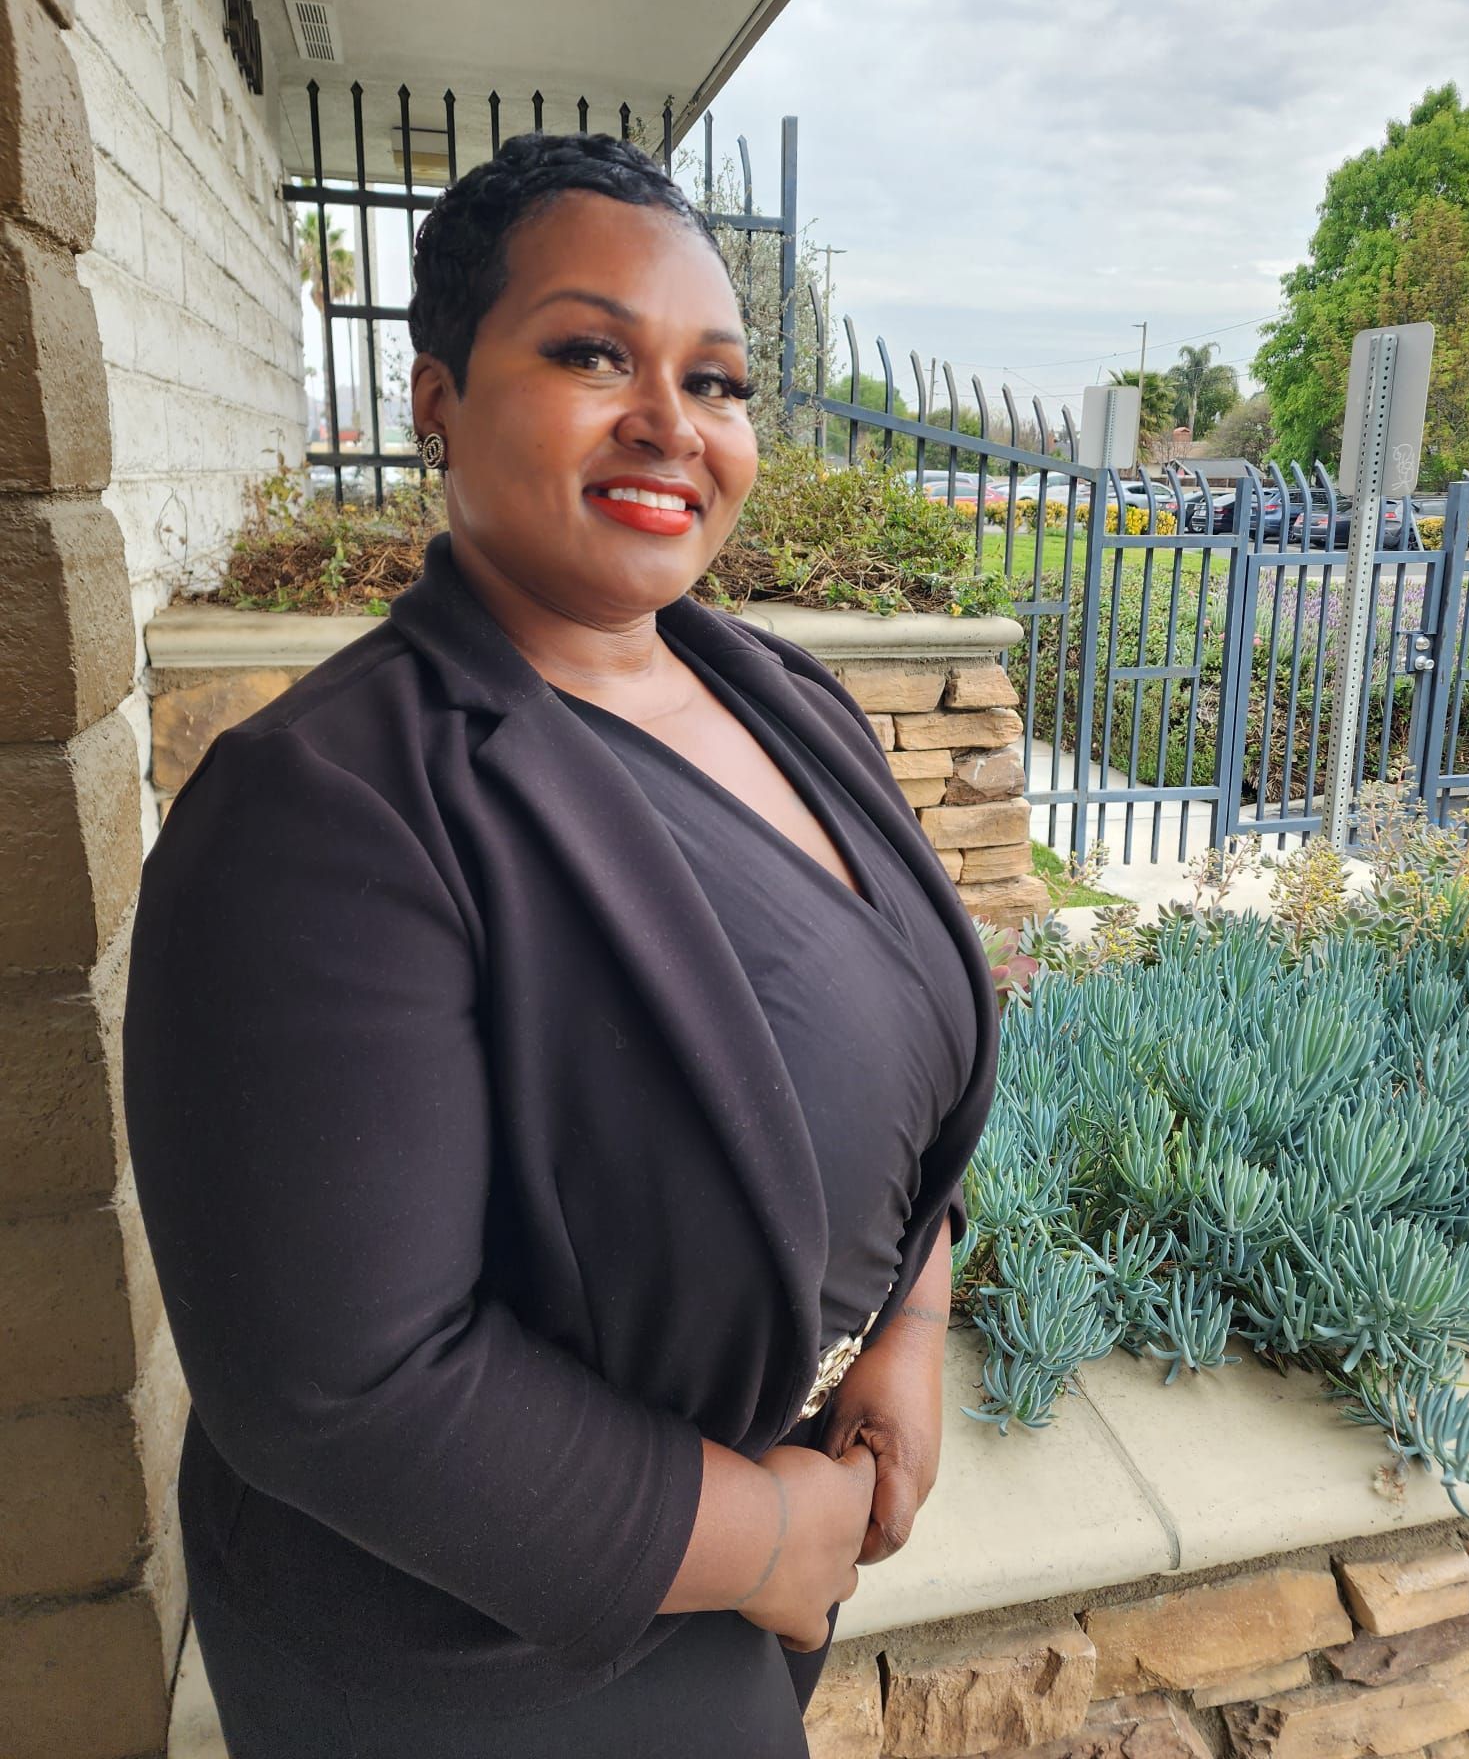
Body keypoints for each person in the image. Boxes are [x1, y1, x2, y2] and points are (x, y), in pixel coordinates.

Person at [122, 132, 999, 1756]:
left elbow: (905, 1058)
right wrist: (768, 1538)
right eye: (594, 353)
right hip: (486, 1661)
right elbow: (348, 1388)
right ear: (438, 398)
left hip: (753, 1566)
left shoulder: (781, 696)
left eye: (717, 380)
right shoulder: (323, 810)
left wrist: (910, 1328)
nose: (672, 420)